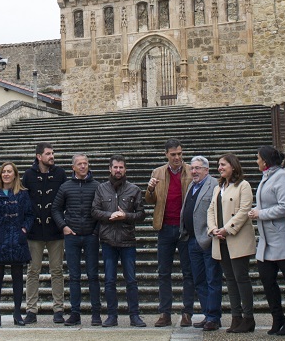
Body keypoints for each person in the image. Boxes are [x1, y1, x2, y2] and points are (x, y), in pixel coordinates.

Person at [248, 146, 285, 335]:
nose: (256, 161)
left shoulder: (282, 177)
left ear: (265, 161)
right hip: (266, 241)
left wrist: (260, 214)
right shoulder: (267, 177)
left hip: (281, 239)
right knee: (267, 281)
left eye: (258, 158)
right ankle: (278, 318)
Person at [91, 155, 147, 328]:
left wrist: (126, 216)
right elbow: (94, 211)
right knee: (109, 280)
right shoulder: (101, 189)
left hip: (127, 240)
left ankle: (135, 316)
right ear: (110, 169)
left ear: (125, 169)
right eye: (115, 167)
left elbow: (141, 214)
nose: (118, 170)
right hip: (108, 240)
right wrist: (111, 215)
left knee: (131, 280)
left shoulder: (134, 189)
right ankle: (111, 316)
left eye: (121, 167)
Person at [145, 138, 195, 327]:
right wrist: (150, 189)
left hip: (185, 228)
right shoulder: (157, 172)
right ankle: (164, 313)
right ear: (166, 154)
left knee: (188, 272)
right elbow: (150, 200)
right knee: (163, 272)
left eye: (180, 154)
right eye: (173, 154)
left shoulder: (191, 170)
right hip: (165, 227)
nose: (177, 157)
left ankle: (187, 312)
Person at [51, 154, 102, 326]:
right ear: (73, 167)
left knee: (93, 275)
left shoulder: (97, 186)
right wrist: (63, 226)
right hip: (72, 236)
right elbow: (56, 209)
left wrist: (96, 231)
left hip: (91, 236)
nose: (83, 166)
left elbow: (102, 209)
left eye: (85, 163)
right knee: (74, 277)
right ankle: (75, 313)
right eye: (79, 164)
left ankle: (96, 314)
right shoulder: (65, 187)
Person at [0, 162, 35, 327]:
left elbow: (30, 214)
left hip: (17, 240)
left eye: (9, 171)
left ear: (15, 174)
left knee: (17, 277)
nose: (6, 174)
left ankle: (17, 313)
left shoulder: (23, 194)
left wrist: (25, 229)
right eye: (3, 171)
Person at [207, 153, 256, 333]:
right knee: (230, 279)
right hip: (221, 240)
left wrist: (227, 229)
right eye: (219, 165)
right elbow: (211, 210)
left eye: (223, 165)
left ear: (233, 166)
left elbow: (244, 210)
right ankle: (236, 317)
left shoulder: (243, 185)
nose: (219, 168)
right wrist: (213, 229)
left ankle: (248, 317)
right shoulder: (218, 187)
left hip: (237, 238)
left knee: (241, 278)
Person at [21, 142, 67, 324]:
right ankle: (31, 310)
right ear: (39, 156)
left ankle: (59, 309)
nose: (52, 156)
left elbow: (66, 199)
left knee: (57, 270)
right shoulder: (28, 175)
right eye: (48, 153)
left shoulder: (60, 174)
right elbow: (24, 201)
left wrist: (63, 222)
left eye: (52, 153)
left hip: (55, 229)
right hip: (34, 230)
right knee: (33, 271)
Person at [181, 155, 223, 331]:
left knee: (212, 279)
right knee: (199, 280)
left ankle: (214, 317)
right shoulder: (192, 185)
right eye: (192, 168)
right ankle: (207, 314)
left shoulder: (214, 185)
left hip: (208, 239)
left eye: (197, 168)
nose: (194, 171)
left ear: (206, 169)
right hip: (192, 240)